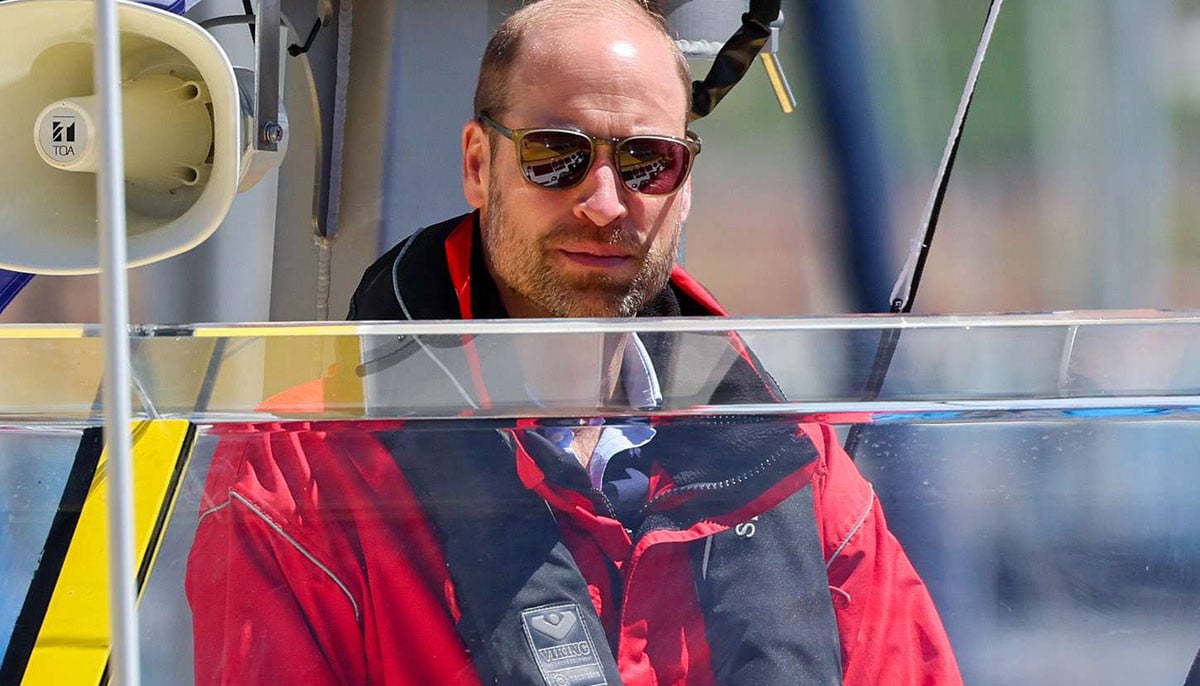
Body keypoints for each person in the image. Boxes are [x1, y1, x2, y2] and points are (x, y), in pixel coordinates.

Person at [186, 1, 963, 684]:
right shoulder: (298, 478)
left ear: (686, 182)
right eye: (555, 156)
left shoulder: (798, 469)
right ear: (478, 165)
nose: (604, 203)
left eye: (648, 161)